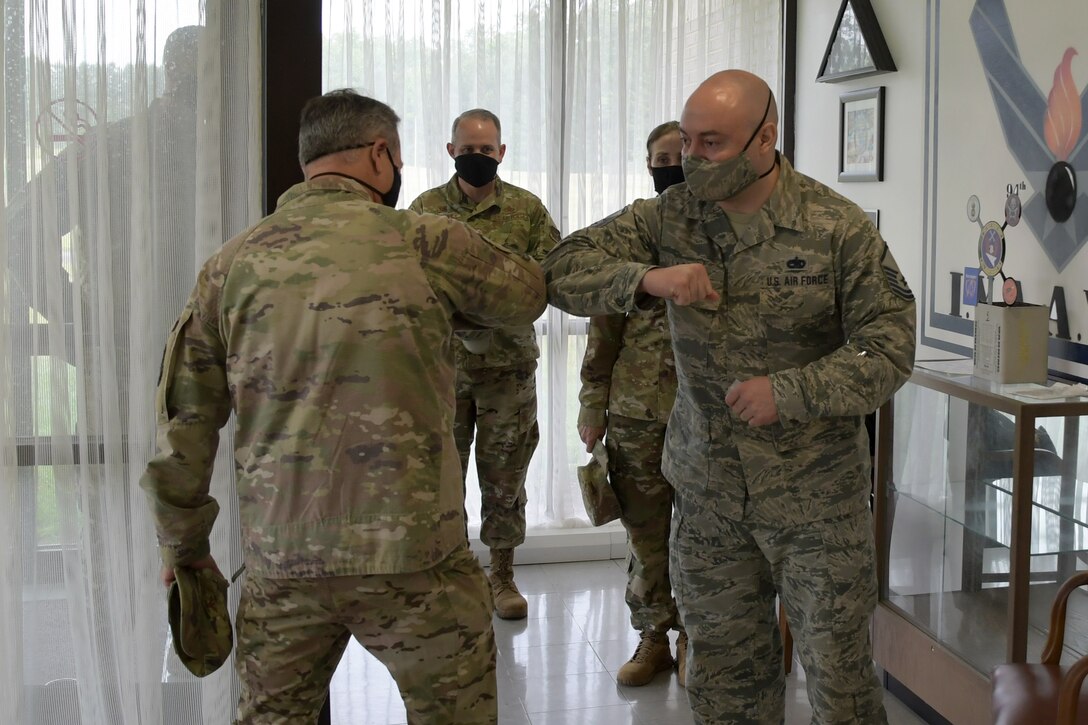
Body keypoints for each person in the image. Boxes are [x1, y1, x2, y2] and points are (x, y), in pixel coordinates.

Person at [139, 89, 548, 724]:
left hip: (283, 563)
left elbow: (182, 426)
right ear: (381, 154)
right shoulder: (427, 241)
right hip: (417, 563)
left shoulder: (229, 266)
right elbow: (527, 296)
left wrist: (184, 549)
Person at [544, 70, 916, 723]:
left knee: (842, 685)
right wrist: (647, 277)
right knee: (724, 684)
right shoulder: (670, 216)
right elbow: (561, 269)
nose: (692, 159)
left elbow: (889, 347)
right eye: (686, 142)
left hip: (816, 509)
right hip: (710, 500)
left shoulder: (836, 227)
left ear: (765, 138)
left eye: (711, 143)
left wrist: (793, 390)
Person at [409, 109, 560, 620]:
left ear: (502, 152)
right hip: (441, 373)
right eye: (468, 150)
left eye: (487, 150)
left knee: (505, 477)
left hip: (507, 371)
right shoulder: (424, 210)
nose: (478, 158)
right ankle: (454, 575)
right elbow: (404, 282)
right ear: (451, 152)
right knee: (441, 479)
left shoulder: (527, 210)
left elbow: (550, 276)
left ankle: (501, 575)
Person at [576, 120, 687, 688]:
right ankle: (653, 638)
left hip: (704, 418)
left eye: (682, 156)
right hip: (637, 413)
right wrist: (592, 405)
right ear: (649, 166)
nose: (672, 167)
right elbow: (604, 332)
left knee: (699, 534)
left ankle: (695, 636)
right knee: (647, 535)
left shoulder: (719, 229)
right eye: (662, 158)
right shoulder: (634, 233)